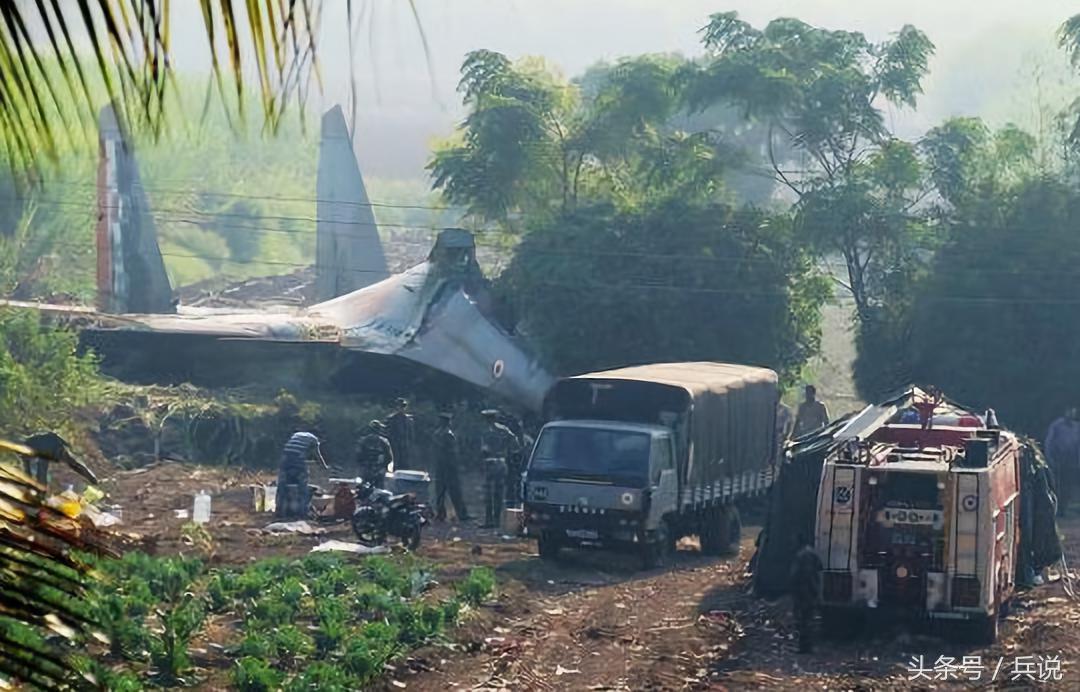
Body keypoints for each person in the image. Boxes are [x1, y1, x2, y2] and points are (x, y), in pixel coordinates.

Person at [480, 409, 520, 528]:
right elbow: (515, 444)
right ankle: (496, 520)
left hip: (489, 462)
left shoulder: (485, 431)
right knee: (499, 492)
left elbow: (483, 449)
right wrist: (509, 453)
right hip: (501, 462)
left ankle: (489, 520)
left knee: (488, 493)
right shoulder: (504, 430)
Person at [275, 431, 327, 519]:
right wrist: (324, 467)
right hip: (298, 460)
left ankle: (280, 510)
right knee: (302, 486)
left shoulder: (296, 435)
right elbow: (317, 455)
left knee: (283, 485)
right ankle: (302, 512)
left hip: (285, 460)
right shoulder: (314, 439)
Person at [789, 533, 823, 654]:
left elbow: (802, 575)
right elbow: (819, 569)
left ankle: (805, 647)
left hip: (804, 592)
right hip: (809, 591)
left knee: (804, 620)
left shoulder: (803, 555)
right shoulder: (811, 553)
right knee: (807, 620)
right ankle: (806, 646)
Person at [433, 411, 470, 522]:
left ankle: (441, 514)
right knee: (455, 492)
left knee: (440, 492)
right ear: (448, 422)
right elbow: (453, 452)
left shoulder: (436, 433)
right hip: (449, 467)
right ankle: (462, 515)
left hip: (439, 466)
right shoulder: (449, 434)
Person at [1045, 407, 1080, 516]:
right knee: (1059, 485)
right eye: (1070, 411)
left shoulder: (1076, 427)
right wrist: (1050, 457)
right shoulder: (1057, 425)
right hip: (1059, 460)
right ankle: (1058, 508)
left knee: (1069, 486)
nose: (1071, 413)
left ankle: (1065, 507)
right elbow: (1049, 442)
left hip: (1072, 461)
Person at [357, 420, 394, 488]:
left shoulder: (364, 441)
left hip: (367, 471)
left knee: (364, 490)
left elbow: (358, 457)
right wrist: (384, 468)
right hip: (378, 471)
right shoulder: (384, 442)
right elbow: (389, 458)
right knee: (379, 490)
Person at [385, 398, 415, 470]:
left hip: (405, 445)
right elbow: (388, 433)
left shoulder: (409, 420)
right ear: (396, 407)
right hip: (394, 445)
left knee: (406, 464)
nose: (401, 408)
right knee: (395, 463)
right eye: (399, 406)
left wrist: (410, 444)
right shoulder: (391, 419)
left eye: (403, 406)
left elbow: (411, 434)